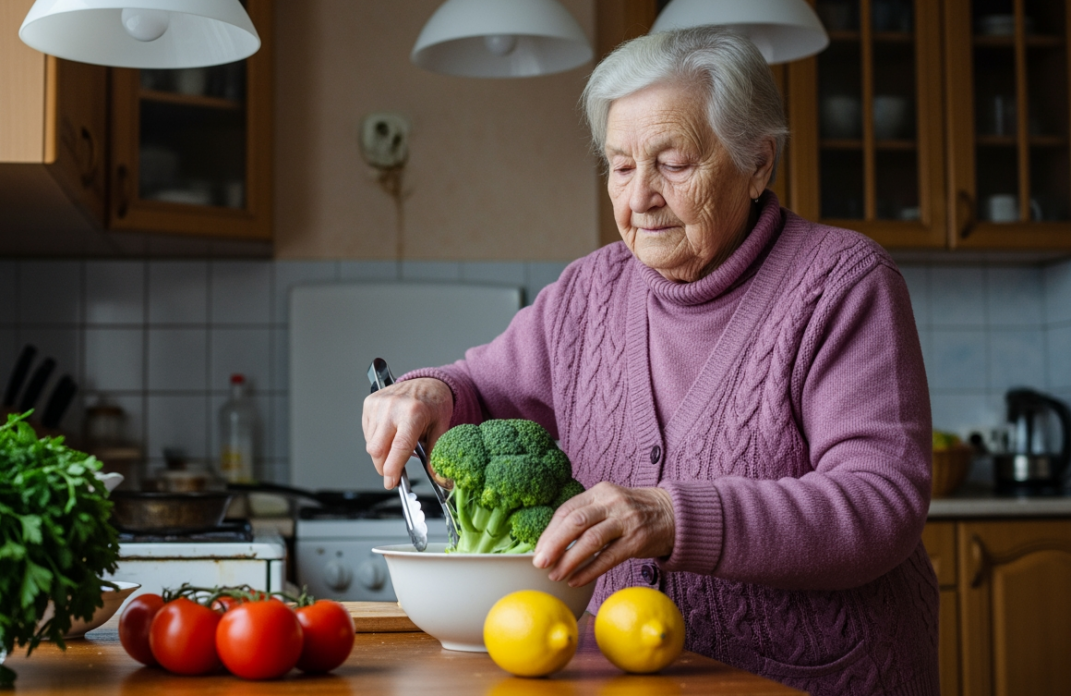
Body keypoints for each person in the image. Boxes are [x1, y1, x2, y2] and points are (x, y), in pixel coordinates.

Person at [361, 27, 936, 696]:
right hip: (628, 678)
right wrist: (432, 390)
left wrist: (672, 516)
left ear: (758, 163)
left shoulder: (843, 283)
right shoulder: (589, 290)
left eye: (674, 163)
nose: (640, 197)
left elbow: (880, 502)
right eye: (622, 166)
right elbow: (480, 389)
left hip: (819, 679)